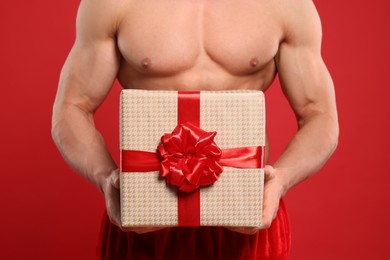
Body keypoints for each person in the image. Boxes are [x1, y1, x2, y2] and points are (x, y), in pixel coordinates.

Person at [51, 0, 339, 259]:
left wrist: (281, 181)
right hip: (146, 216)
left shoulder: (286, 5)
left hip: (246, 216)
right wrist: (105, 178)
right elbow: (73, 107)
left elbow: (319, 114)